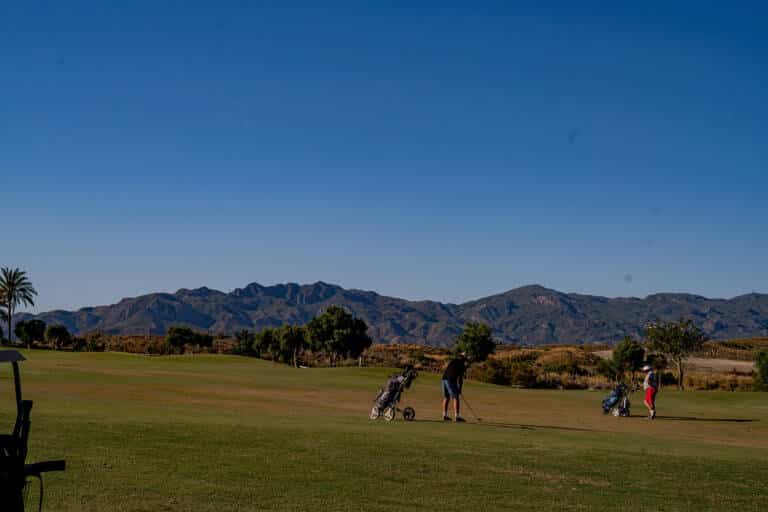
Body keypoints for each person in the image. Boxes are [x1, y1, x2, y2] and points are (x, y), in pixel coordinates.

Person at [441, 353, 468, 422]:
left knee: (446, 397)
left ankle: (445, 415)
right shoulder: (462, 365)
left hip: (443, 379)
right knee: (456, 397)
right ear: (463, 358)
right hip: (450, 380)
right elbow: (460, 378)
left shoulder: (453, 361)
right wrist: (460, 389)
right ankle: (457, 416)